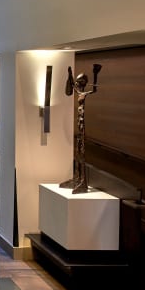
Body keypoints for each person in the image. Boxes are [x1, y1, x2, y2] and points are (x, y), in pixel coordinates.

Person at [60, 64, 102, 193]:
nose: (77, 85)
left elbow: (94, 89)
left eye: (79, 82)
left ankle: (83, 181)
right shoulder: (79, 92)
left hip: (82, 126)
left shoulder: (84, 93)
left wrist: (95, 73)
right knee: (78, 151)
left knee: (82, 152)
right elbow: (70, 87)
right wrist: (69, 74)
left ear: (83, 83)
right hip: (79, 125)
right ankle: (77, 178)